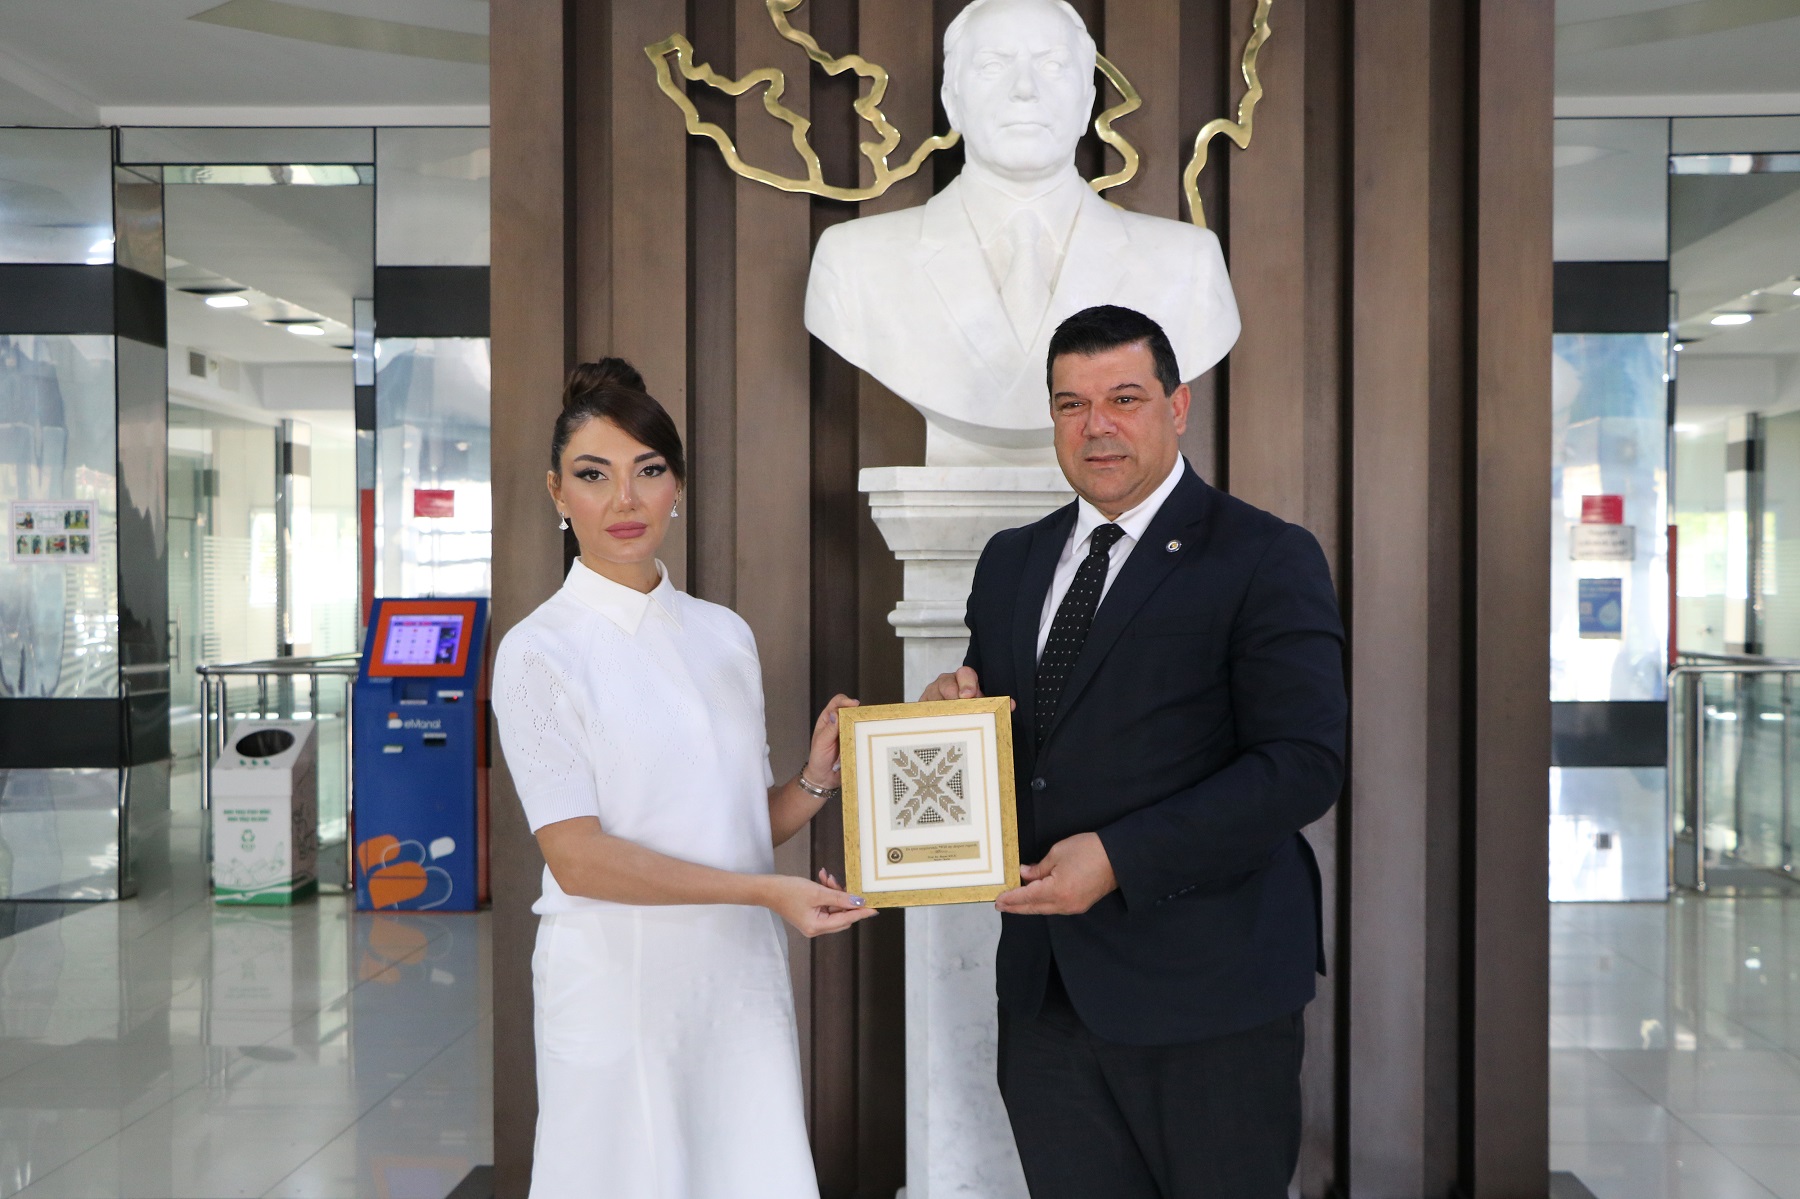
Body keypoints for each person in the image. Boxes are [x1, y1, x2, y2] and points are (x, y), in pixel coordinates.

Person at [920, 306, 1347, 1197]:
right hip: (1045, 995)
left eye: (1124, 398)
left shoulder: (1265, 555)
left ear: (1177, 406)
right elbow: (1018, 740)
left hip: (1211, 989)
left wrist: (1119, 856)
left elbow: (1303, 762)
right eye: (1071, 404)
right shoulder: (1011, 561)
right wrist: (945, 725)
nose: (1097, 426)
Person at [492, 358, 877, 1199]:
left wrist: (814, 781)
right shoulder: (537, 652)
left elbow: (733, 824)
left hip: (736, 976)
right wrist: (766, 892)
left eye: (649, 470)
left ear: (678, 488)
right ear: (557, 492)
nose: (624, 500)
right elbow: (578, 859)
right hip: (618, 981)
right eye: (594, 475)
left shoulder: (724, 634)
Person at [804, 0, 1238, 465]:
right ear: (952, 100)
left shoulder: (1189, 264)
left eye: (1053, 65)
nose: (1025, 90)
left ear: (1087, 100)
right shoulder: (853, 261)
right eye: (993, 65)